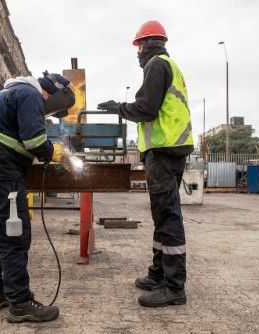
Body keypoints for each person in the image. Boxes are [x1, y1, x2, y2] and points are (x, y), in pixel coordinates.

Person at [0, 72, 75, 322]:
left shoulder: (10, 92)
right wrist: (54, 152)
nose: (51, 114)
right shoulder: (31, 95)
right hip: (0, 173)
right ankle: (20, 303)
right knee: (15, 237)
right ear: (55, 96)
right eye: (56, 110)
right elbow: (34, 140)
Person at [97, 20, 194, 308]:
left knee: (168, 217)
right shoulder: (168, 65)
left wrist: (117, 107)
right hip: (168, 150)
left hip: (164, 151)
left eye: (138, 47)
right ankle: (159, 274)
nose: (137, 53)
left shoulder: (157, 65)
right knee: (161, 215)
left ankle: (174, 287)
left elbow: (145, 109)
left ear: (145, 44)